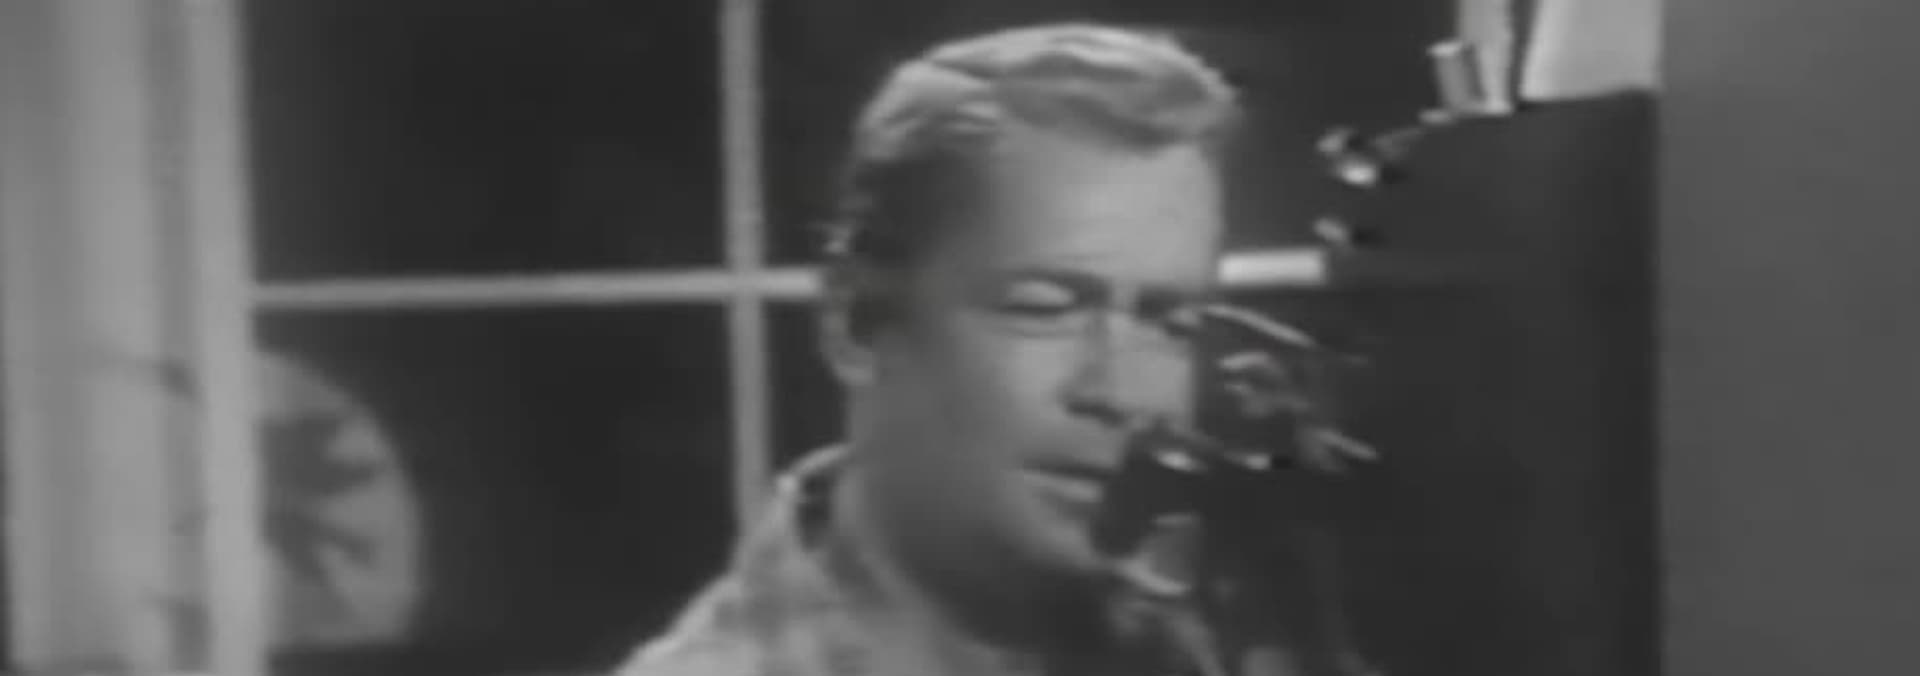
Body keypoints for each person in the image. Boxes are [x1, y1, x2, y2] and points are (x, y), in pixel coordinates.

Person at [617, 24, 1367, 676]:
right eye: (1044, 309)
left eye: (1169, 322)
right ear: (855, 324)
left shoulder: (1221, 646)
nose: (1124, 393)